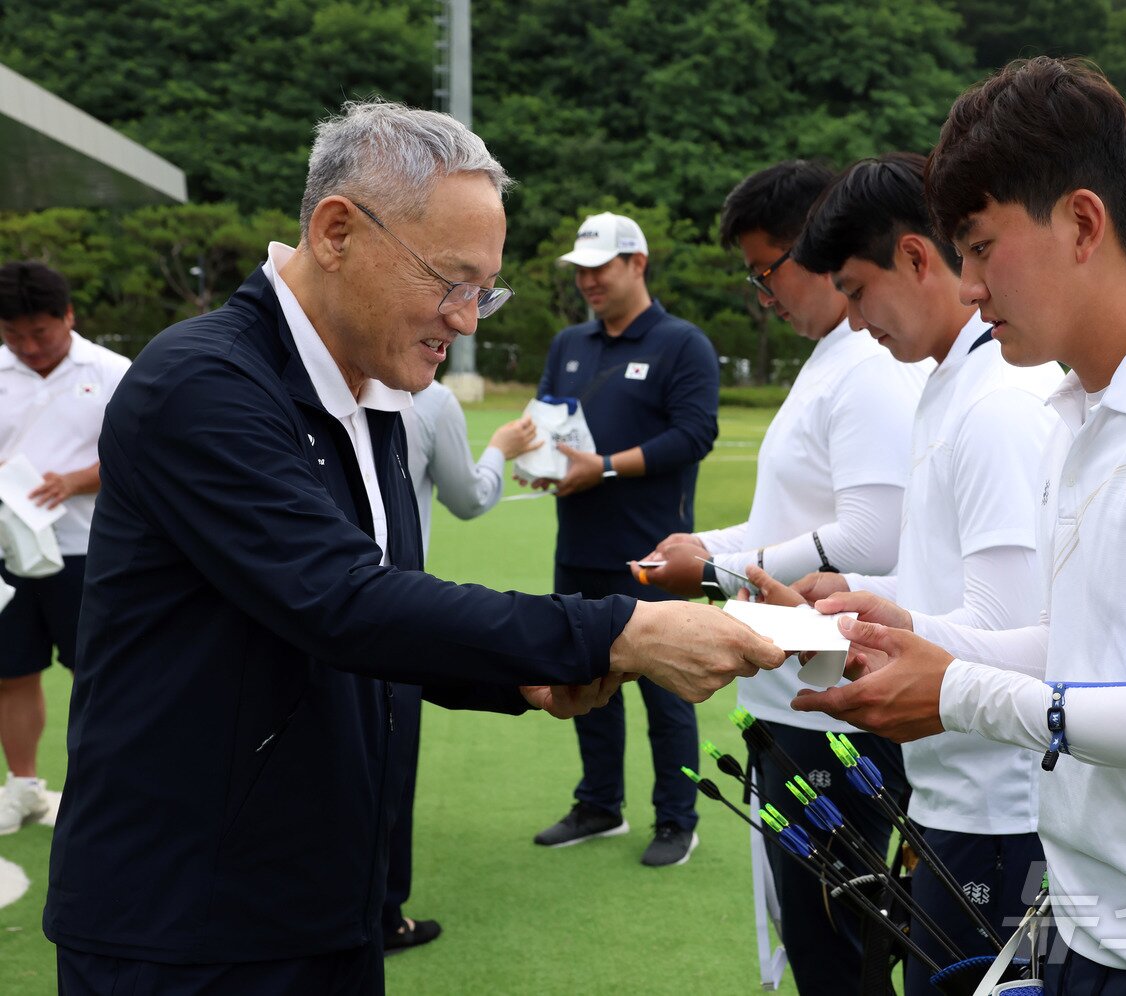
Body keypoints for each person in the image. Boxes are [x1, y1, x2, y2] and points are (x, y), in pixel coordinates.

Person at [43, 100, 785, 994]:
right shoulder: (201, 383)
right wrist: (618, 630)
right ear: (337, 232)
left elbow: (384, 615)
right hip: (186, 917)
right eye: (451, 281)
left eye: (486, 290)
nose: (468, 319)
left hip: (321, 896)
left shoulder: (377, 393)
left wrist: (516, 677)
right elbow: (341, 601)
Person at [795, 58, 1126, 995]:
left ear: (1083, 223)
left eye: (980, 246)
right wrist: (914, 637)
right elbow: (1091, 647)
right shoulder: (1082, 414)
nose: (968, 287)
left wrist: (962, 693)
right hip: (1100, 925)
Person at [638, 160, 925, 994]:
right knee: (815, 939)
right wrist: (709, 545)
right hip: (794, 689)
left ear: (817, 247)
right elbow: (791, 528)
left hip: (830, 696)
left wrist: (719, 568)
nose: (763, 294)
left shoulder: (868, 365)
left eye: (767, 270)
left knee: (842, 949)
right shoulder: (836, 356)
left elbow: (873, 534)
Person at [780, 151, 1062, 993]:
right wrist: (870, 606)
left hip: (1002, 807)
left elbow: (1010, 627)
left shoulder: (1000, 402)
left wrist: (874, 631)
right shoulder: (951, 385)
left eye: (859, 291)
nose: (858, 323)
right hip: (950, 795)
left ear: (914, 256)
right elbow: (956, 598)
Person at [530, 212, 721, 868]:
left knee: (664, 690)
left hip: (652, 559)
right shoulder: (568, 343)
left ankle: (677, 818)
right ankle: (600, 804)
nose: (587, 280)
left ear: (637, 263)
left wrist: (605, 466)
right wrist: (544, 461)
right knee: (584, 682)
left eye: (599, 268)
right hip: (577, 545)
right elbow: (548, 418)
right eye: (579, 270)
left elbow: (695, 434)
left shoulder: (681, 343)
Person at [382, 382, 540, 953]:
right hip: (390, 612)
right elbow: (470, 497)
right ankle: (383, 916)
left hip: (313, 604)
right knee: (387, 770)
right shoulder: (430, 399)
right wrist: (499, 446)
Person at [0, 261, 129, 835]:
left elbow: (141, 455)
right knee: (10, 672)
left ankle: (102, 786)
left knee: (95, 672)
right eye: (13, 335)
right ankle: (22, 787)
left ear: (69, 316)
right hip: (7, 548)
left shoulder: (112, 371)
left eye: (40, 333)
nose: (28, 347)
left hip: (86, 549)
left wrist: (76, 480)